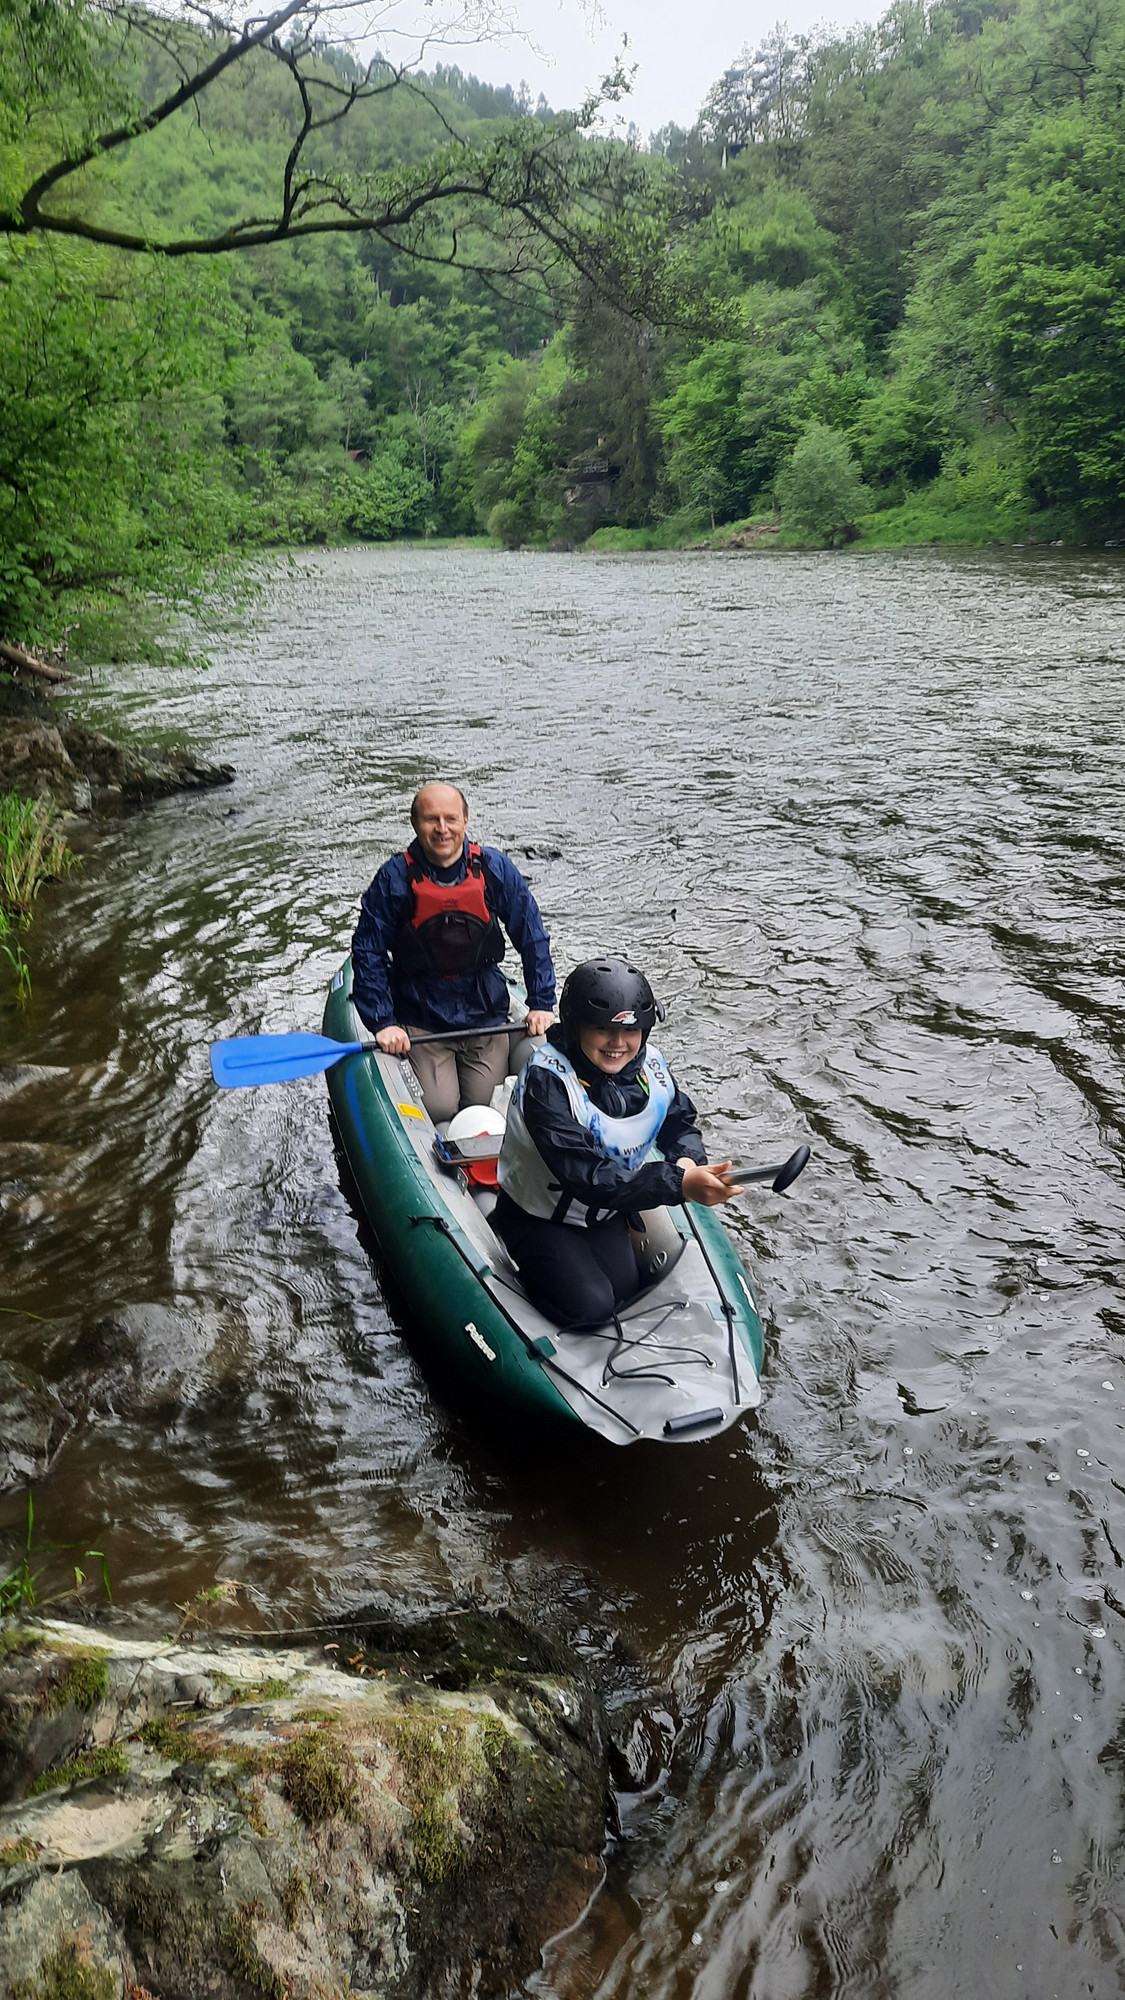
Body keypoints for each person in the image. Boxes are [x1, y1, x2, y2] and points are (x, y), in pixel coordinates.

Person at [493, 956, 742, 1326]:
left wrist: (687, 1163)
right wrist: (677, 1184)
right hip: (537, 1216)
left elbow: (679, 1124)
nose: (618, 1043)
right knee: (591, 1307)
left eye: (631, 1030)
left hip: (605, 1212)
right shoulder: (548, 1083)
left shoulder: (650, 1067)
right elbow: (587, 1175)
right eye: (602, 1029)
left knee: (625, 1292)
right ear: (576, 1026)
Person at [351, 782, 556, 1123]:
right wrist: (383, 1022)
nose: (442, 829)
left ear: (465, 821)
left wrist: (541, 1001)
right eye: (432, 819)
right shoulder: (394, 878)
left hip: (485, 1013)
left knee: (484, 1106)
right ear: (416, 824)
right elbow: (368, 951)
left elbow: (531, 935)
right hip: (421, 1017)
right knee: (439, 1109)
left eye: (451, 818)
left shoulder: (493, 868)